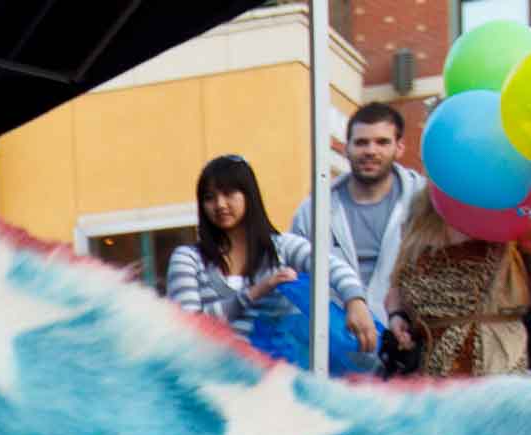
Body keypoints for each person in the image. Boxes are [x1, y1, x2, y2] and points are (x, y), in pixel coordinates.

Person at [167, 154, 378, 355]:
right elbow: (189, 327)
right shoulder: (188, 258)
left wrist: (355, 301)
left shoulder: (282, 247)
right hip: (210, 383)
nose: (220, 204)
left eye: (229, 193)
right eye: (209, 197)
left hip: (273, 381)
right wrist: (255, 292)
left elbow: (332, 267)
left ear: (249, 195)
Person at [290, 103, 427, 321]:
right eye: (361, 142)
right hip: (332, 345)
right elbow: (294, 280)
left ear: (399, 148)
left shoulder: (423, 203)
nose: (371, 151)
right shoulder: (313, 211)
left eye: (382, 142)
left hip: (405, 340)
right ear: (347, 148)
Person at [384, 189, 531, 377]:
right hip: (427, 366)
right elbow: (398, 280)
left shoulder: (511, 207)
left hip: (495, 364)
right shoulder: (420, 209)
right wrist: (397, 316)